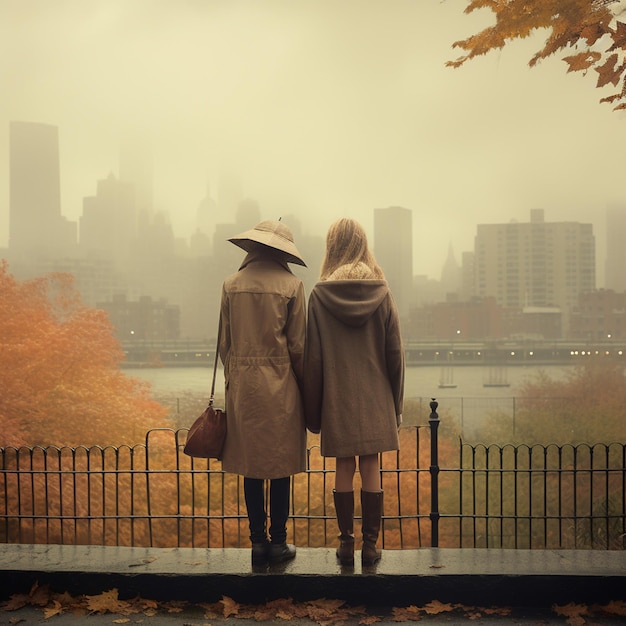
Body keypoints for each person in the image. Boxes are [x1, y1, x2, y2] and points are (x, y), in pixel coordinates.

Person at [304, 218, 404, 566]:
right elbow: (395, 354)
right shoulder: (382, 291)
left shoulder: (319, 296)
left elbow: (312, 359)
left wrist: (313, 414)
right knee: (372, 463)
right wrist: (397, 404)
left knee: (343, 465)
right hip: (376, 398)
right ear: (363, 245)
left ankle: (346, 543)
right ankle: (372, 546)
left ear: (332, 247)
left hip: (337, 398)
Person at [218, 219, 307, 565]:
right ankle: (279, 542)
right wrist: (305, 389)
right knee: (280, 464)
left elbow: (225, 343)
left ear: (252, 247)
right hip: (282, 384)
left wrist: (236, 372)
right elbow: (299, 347)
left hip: (242, 386)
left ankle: (257, 541)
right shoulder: (293, 286)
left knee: (250, 466)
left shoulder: (230, 284)